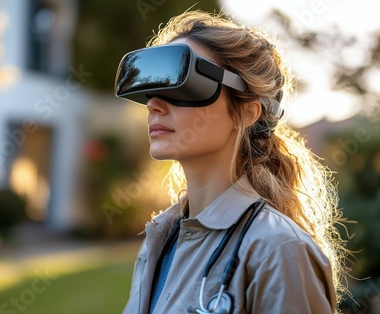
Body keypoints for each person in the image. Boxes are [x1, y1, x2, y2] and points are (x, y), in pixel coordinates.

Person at [115, 10, 349, 314]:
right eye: (152, 90)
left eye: (183, 86)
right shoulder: (158, 241)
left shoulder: (278, 250)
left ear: (248, 112)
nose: (154, 104)